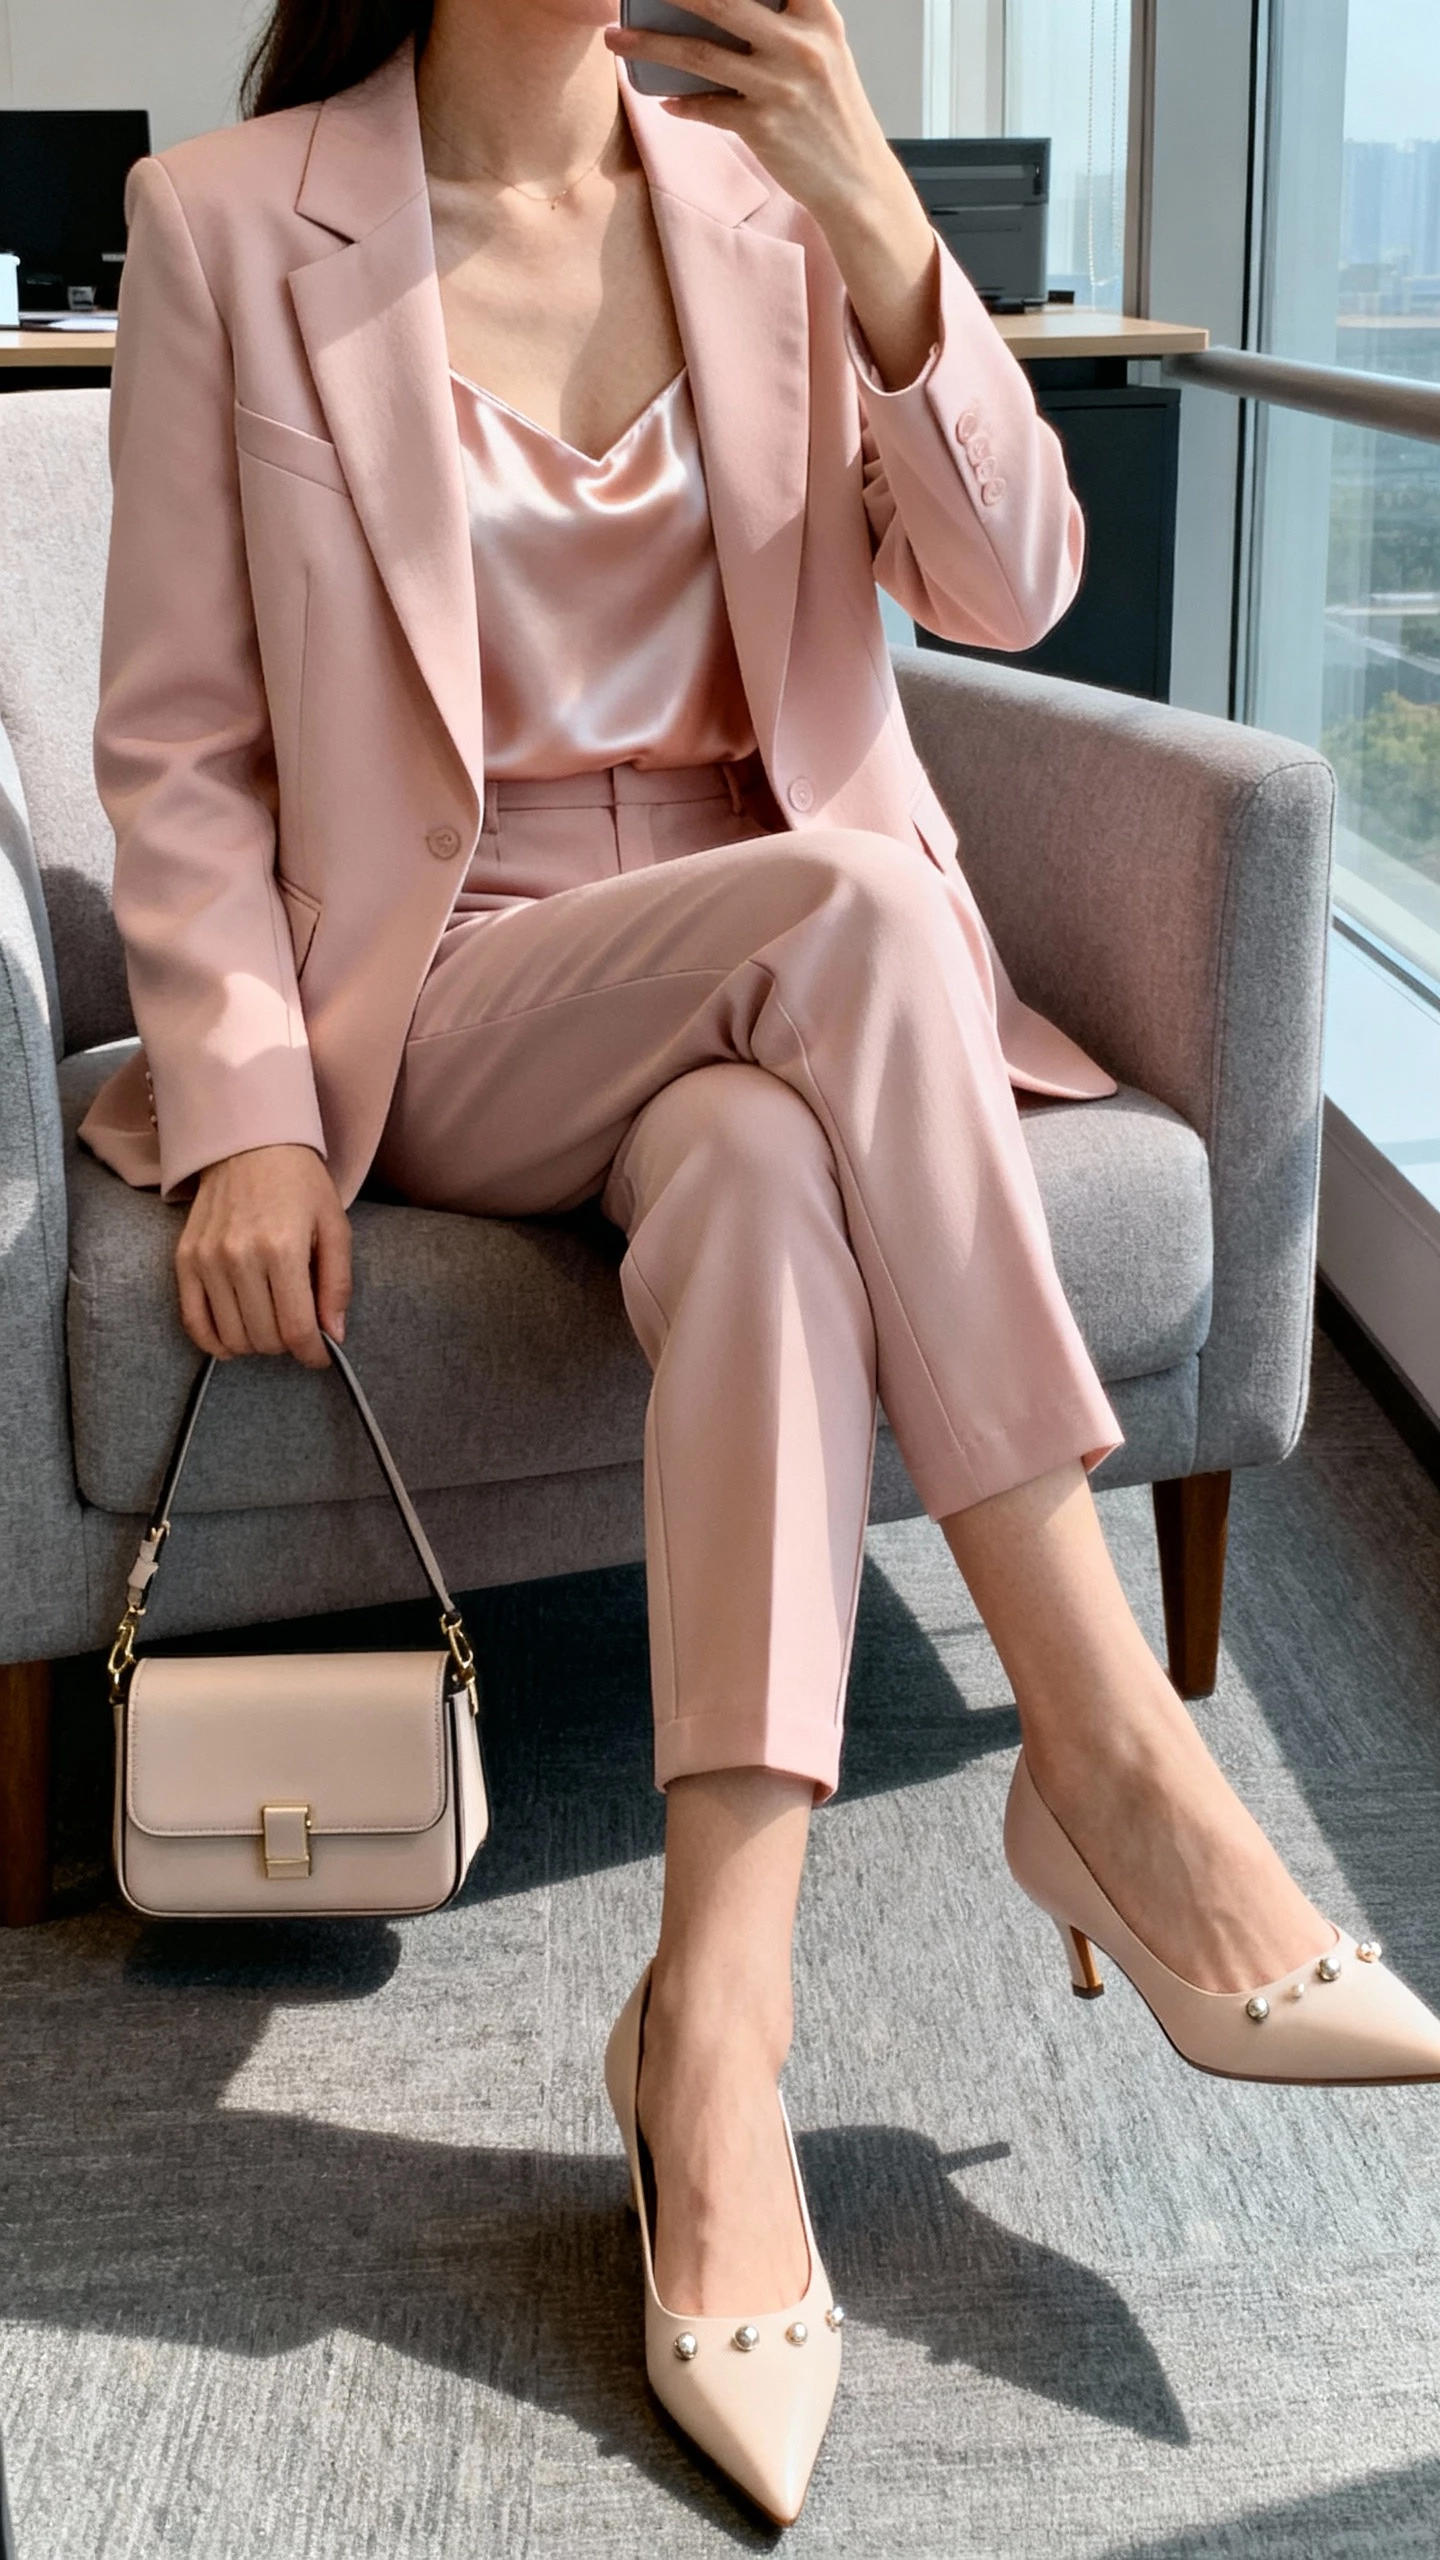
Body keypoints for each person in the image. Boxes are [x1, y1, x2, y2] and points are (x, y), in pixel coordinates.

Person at [79, 0, 1440, 2524]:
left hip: (785, 1013)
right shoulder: (232, 224)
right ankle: (1116, 1752)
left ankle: (709, 2038)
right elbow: (178, 750)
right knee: (837, 927)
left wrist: (881, 220)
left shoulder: (762, 204)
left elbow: (1015, 584)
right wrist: (253, 1110)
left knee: (747, 1171)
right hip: (469, 981)